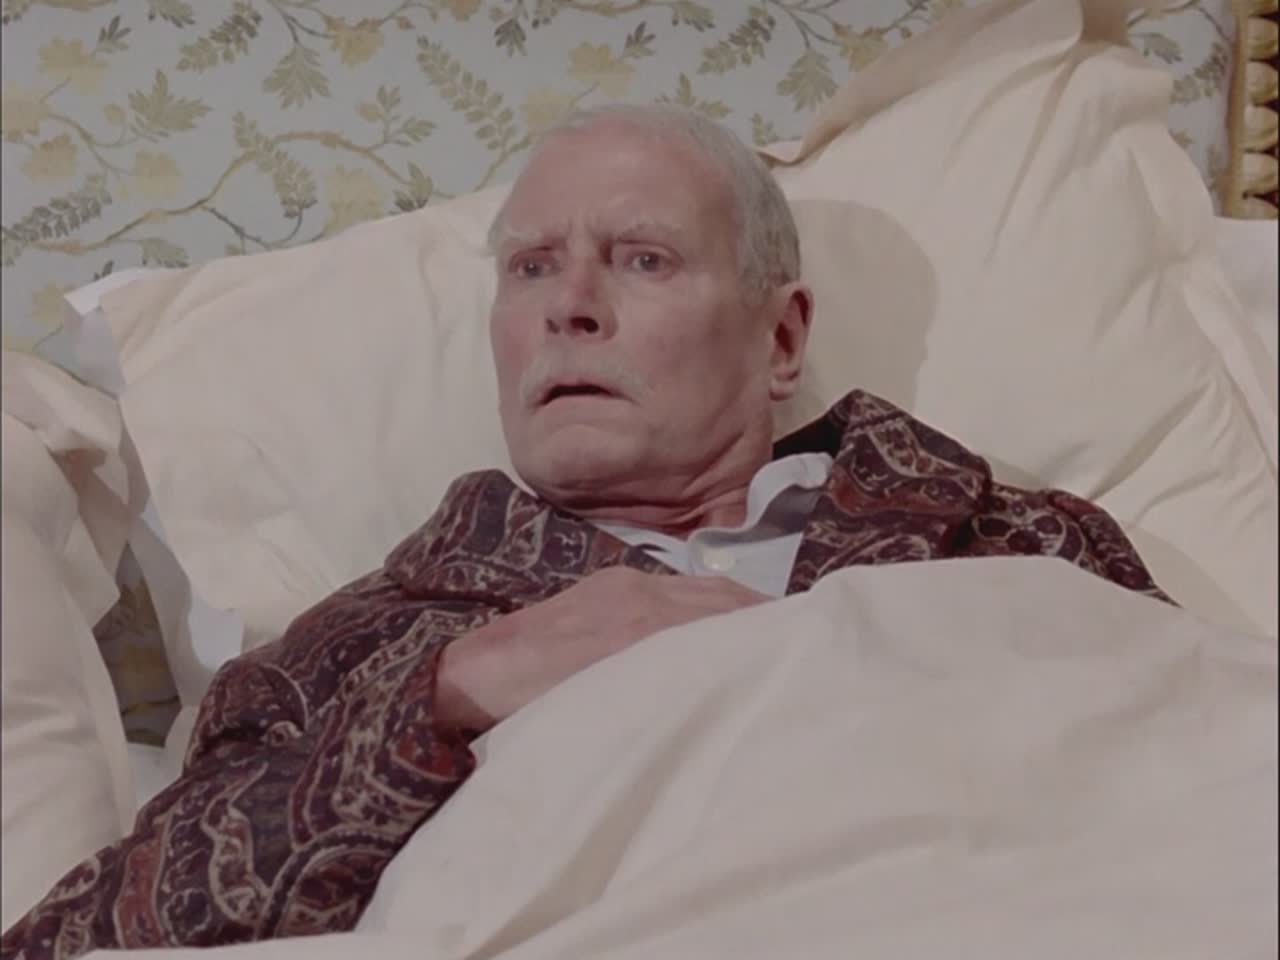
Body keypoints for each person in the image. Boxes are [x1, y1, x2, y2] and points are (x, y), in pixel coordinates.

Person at [0, 104, 1169, 959]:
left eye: (641, 259)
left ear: (778, 340)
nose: (567, 306)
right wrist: (448, 693)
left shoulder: (1008, 539)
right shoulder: (361, 644)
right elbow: (92, 935)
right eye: (529, 268)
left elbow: (1197, 756)